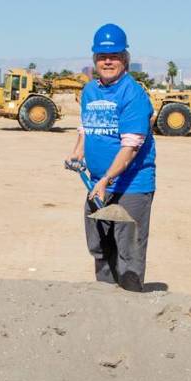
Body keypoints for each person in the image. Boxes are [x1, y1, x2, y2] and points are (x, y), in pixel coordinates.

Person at [66, 24, 155, 292]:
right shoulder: (90, 91)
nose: (107, 61)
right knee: (100, 247)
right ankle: (106, 304)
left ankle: (130, 306)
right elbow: (86, 127)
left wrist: (106, 179)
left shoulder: (133, 94)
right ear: (94, 59)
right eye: (102, 56)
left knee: (128, 253)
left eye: (114, 55)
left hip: (131, 186)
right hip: (97, 184)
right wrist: (77, 152)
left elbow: (130, 147)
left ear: (125, 58)